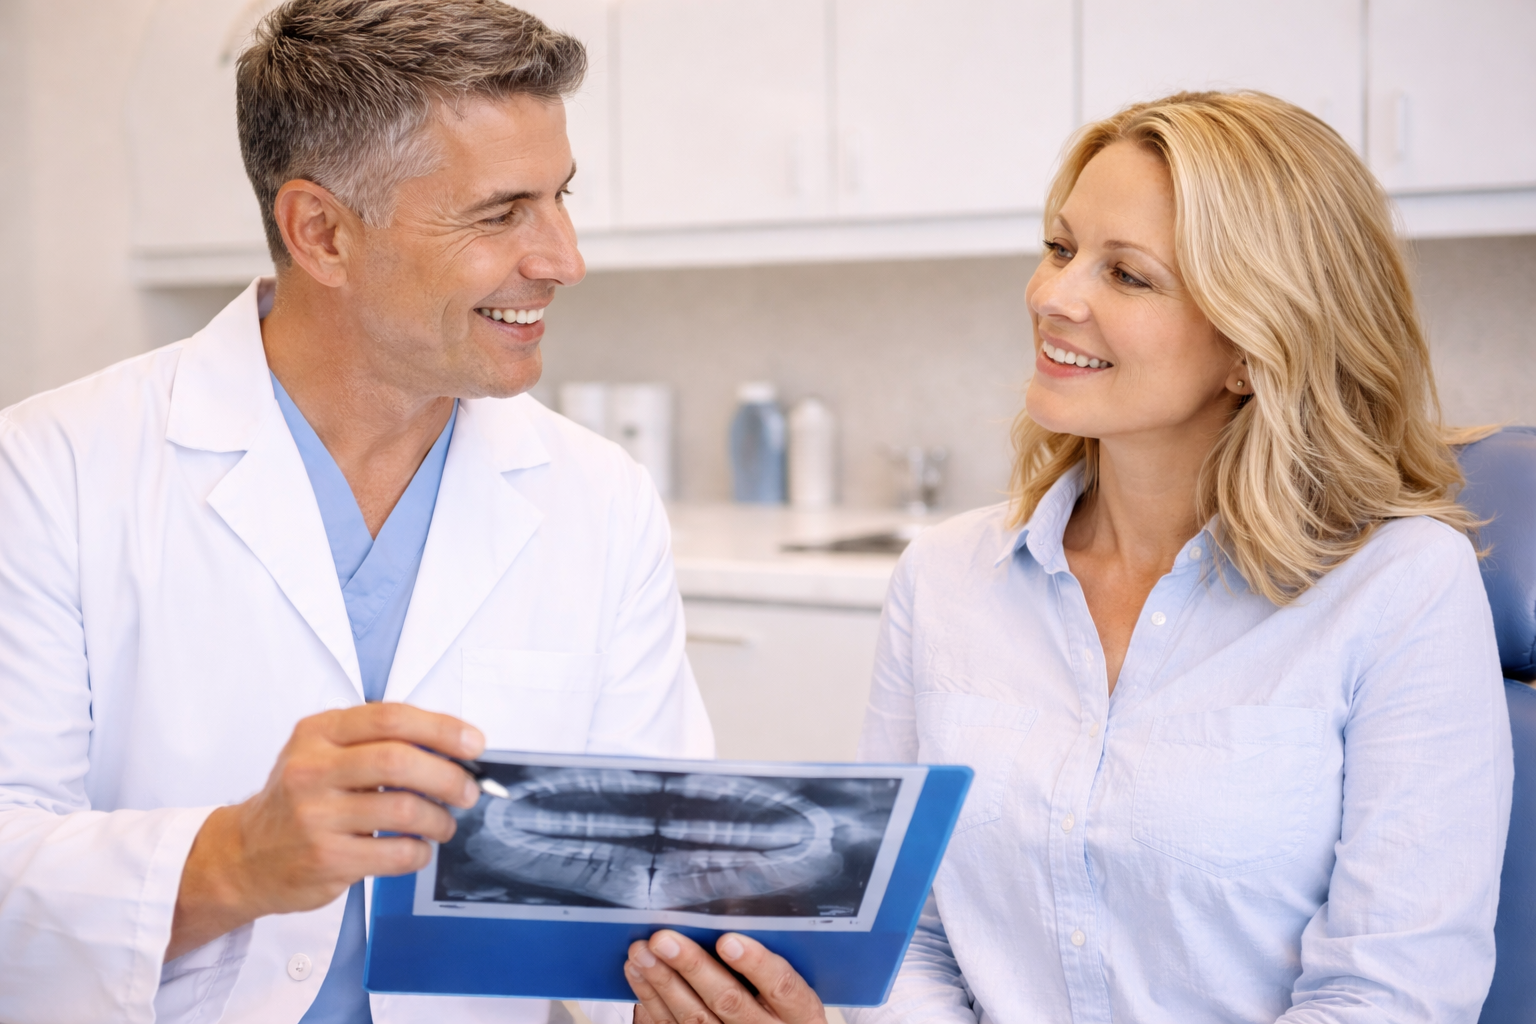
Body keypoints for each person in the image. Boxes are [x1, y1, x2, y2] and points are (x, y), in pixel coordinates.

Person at [620, 91, 1514, 1024]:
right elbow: (910, 930)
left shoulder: (1402, 586)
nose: (1052, 296)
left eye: (1127, 275)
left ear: (1256, 345)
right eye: (1059, 248)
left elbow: (1388, 994)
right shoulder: (944, 577)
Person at [0, 2, 710, 1022]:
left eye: (560, 196)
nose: (563, 257)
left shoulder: (599, 495)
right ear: (322, 233)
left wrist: (696, 987)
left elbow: (648, 879)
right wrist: (235, 858)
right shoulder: (49, 471)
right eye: (500, 213)